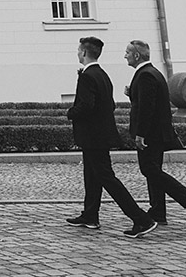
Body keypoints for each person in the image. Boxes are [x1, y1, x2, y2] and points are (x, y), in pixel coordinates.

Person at [64, 36, 155, 237]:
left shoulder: (88, 76)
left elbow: (86, 106)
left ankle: (141, 219)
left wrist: (71, 112)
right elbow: (109, 105)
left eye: (79, 50)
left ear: (84, 52)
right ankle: (90, 215)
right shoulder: (102, 74)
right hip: (100, 135)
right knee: (92, 175)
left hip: (93, 136)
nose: (78, 53)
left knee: (106, 177)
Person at [124, 39, 186, 229]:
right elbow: (148, 101)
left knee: (150, 170)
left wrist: (140, 134)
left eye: (128, 53)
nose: (125, 56)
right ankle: (158, 211)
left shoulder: (146, 75)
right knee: (153, 171)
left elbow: (147, 108)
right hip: (157, 133)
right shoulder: (152, 73)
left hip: (151, 135)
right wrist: (132, 93)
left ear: (137, 55)